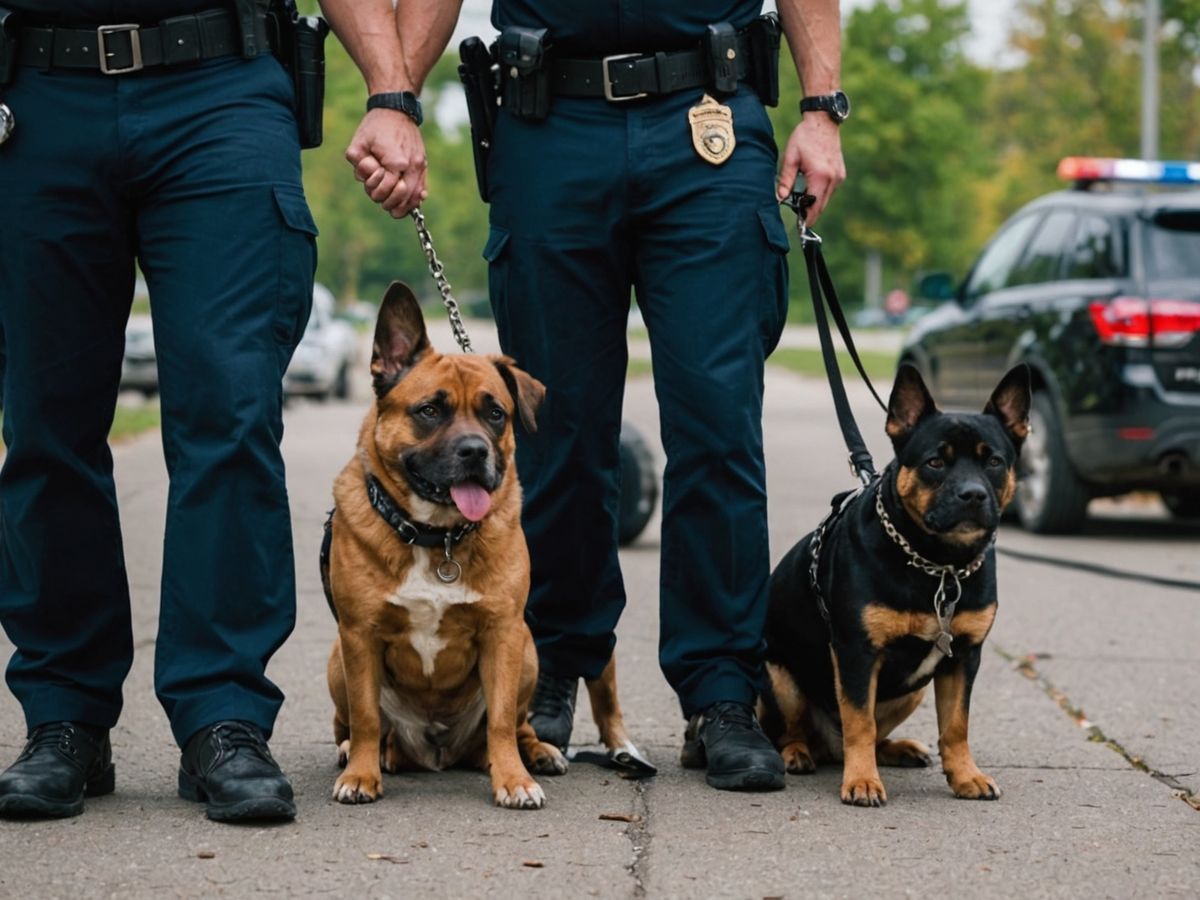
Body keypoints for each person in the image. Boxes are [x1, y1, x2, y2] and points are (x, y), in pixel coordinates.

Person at [329, 0, 846, 791]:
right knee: (554, 431)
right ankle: (554, 669)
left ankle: (721, 695)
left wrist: (821, 109)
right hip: (549, 122)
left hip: (707, 121)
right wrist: (394, 99)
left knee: (719, 427)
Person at [0, 0, 317, 821]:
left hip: (221, 87)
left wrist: (391, 97)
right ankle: (63, 715)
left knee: (231, 413)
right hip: (36, 90)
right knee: (46, 426)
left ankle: (225, 715)